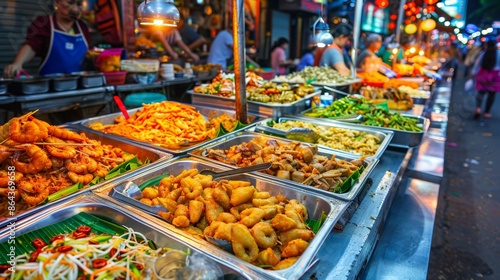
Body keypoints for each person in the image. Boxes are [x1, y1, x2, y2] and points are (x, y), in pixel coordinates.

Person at [4, 0, 90, 77]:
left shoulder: (83, 27)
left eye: (79, 4)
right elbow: (32, 45)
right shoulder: (44, 23)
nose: (75, 9)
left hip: (78, 86)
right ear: (57, 2)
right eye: (70, 3)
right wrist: (18, 64)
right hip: (50, 85)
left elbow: (88, 54)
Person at [472, 39, 500, 119]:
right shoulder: (499, 53)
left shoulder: (483, 53)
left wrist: (473, 73)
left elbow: (477, 64)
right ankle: (487, 112)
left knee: (480, 93)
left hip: (483, 75)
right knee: (491, 94)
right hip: (495, 76)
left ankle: (478, 108)